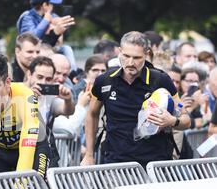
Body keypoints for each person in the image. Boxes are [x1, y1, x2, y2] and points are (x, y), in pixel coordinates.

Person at [81, 31, 191, 169]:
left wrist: (172, 121)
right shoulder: (105, 80)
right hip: (115, 163)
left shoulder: (161, 80)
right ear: (120, 52)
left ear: (146, 54)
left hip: (154, 164)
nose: (130, 62)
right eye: (126, 56)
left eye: (137, 57)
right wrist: (89, 154)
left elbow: (186, 119)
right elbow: (92, 114)